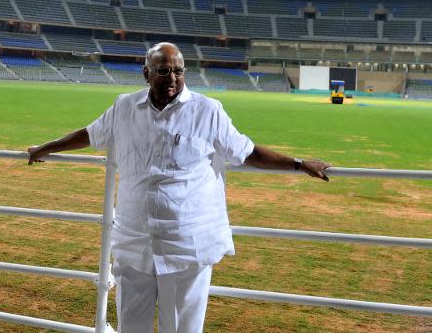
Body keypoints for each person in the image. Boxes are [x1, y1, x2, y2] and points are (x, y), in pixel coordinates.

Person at [28, 42, 330, 333]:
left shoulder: (207, 111)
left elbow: (247, 152)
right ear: (146, 74)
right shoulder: (124, 107)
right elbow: (90, 134)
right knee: (131, 326)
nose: (172, 78)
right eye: (163, 71)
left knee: (183, 329)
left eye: (179, 71)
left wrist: (299, 163)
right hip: (135, 242)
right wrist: (46, 147)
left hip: (186, 245)